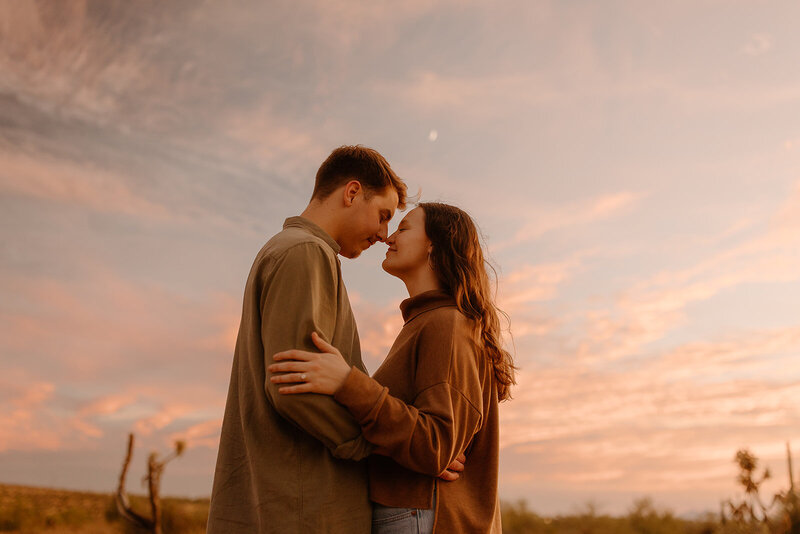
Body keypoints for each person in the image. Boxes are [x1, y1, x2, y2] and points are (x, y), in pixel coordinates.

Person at [269, 202, 516, 533]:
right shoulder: (429, 322)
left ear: (434, 244)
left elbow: (437, 446)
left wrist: (347, 382)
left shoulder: (446, 324)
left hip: (418, 514)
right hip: (414, 511)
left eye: (404, 228)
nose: (388, 237)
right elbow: (437, 444)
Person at [206, 145, 408, 533]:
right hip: (306, 510)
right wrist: (379, 447)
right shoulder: (305, 253)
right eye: (383, 216)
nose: (384, 234)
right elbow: (293, 386)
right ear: (352, 193)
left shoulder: (292, 250)